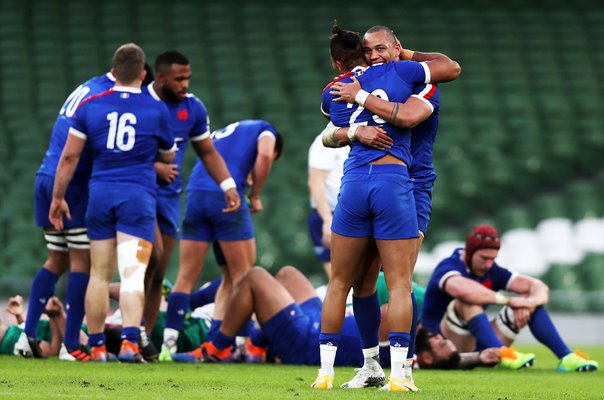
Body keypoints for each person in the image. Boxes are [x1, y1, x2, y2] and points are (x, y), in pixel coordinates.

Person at [314, 23, 459, 391]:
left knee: (399, 278)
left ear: (397, 48)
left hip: (413, 185)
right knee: (363, 282)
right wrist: (353, 132)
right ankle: (371, 366)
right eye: (369, 51)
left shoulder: (418, 81)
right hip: (384, 181)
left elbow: (408, 114)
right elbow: (330, 134)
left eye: (383, 49)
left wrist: (362, 96)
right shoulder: (377, 79)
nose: (375, 56)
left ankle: (404, 369)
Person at [49, 43, 176, 363]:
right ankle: (131, 343)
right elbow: (168, 156)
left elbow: (69, 156)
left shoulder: (91, 105)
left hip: (100, 195)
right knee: (132, 274)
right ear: (144, 74)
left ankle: (96, 347)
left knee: (99, 275)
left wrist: (57, 197)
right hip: (137, 198)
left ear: (113, 72)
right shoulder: (156, 109)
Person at [140, 51, 238, 354]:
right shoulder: (138, 103)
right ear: (160, 78)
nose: (184, 84)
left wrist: (228, 185)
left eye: (188, 78)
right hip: (137, 192)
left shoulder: (192, 108)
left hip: (169, 198)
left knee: (158, 272)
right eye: (178, 79)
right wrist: (154, 167)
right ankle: (121, 333)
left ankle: (142, 337)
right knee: (150, 257)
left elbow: (207, 152)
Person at [160, 119, 282, 361]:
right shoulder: (266, 130)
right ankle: (240, 345)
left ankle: (170, 344)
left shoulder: (223, 133)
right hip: (227, 197)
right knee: (243, 277)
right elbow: (266, 155)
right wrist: (255, 194)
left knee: (190, 276)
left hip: (195, 197)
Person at [18, 69, 118, 361]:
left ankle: (28, 335)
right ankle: (71, 344)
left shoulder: (87, 86)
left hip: (47, 176)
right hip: (70, 182)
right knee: (82, 262)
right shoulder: (108, 96)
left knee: (56, 258)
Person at [421, 224, 599, 372]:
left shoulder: (492, 270)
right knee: (468, 300)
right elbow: (463, 289)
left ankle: (566, 357)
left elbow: (538, 286)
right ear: (469, 252)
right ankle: (503, 353)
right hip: (442, 346)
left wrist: (530, 302)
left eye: (493, 259)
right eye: (484, 258)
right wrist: (508, 300)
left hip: (476, 343)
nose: (488, 264)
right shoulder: (449, 266)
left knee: (527, 301)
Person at [307, 132, 349, 278]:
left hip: (356, 213)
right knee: (338, 279)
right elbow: (315, 181)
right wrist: (327, 219)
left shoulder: (363, 135)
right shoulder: (324, 141)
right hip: (331, 213)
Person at [4, 295, 73, 357]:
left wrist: (19, 316)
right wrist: (55, 314)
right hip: (71, 332)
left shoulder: (10, 335)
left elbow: (26, 332)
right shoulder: (10, 339)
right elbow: (52, 351)